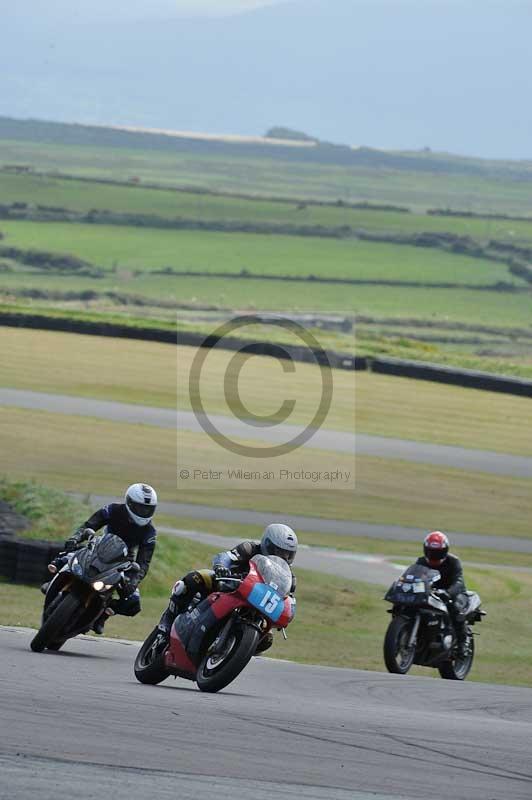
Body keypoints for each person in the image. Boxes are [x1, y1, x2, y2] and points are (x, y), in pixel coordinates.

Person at [157, 523, 298, 654]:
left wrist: (287, 613)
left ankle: (233, 652)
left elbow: (288, 599)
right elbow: (225, 557)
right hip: (228, 584)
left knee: (267, 639)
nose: (283, 557)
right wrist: (221, 567)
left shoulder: (288, 577)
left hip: (257, 604)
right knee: (195, 578)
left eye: (288, 554)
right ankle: (167, 620)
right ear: (267, 544)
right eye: (278, 551)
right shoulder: (250, 548)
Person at [52, 484, 158, 634]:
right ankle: (54, 581)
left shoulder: (150, 532)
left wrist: (134, 581)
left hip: (124, 560)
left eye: (147, 509)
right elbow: (89, 524)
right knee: (66, 557)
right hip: (99, 547)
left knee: (133, 602)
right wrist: (76, 537)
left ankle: (103, 615)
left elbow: (144, 562)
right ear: (129, 502)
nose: (144, 512)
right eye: (140, 508)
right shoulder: (113, 509)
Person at [417, 531, 470, 657]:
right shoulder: (421, 562)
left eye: (438, 553)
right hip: (431, 592)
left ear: (445, 551)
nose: (434, 556)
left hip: (453, 593)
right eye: (430, 552)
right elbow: (414, 577)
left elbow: (459, 582)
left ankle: (463, 643)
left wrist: (448, 593)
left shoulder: (453, 562)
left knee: (455, 607)